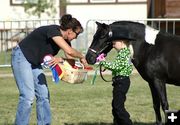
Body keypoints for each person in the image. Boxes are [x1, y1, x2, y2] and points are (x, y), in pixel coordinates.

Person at [11, 14, 88, 125]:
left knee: (43, 95)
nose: (76, 37)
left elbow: (70, 59)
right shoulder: (54, 31)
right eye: (76, 35)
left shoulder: (66, 41)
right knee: (27, 97)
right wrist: (81, 56)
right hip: (21, 57)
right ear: (70, 31)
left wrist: (61, 59)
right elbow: (71, 51)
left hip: (34, 62)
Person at [99, 32, 134, 125]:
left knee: (118, 106)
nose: (113, 46)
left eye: (114, 43)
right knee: (115, 105)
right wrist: (107, 64)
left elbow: (117, 66)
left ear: (122, 42)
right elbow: (119, 66)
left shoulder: (124, 53)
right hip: (120, 81)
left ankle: (127, 122)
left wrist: (103, 62)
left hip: (121, 82)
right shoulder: (123, 52)